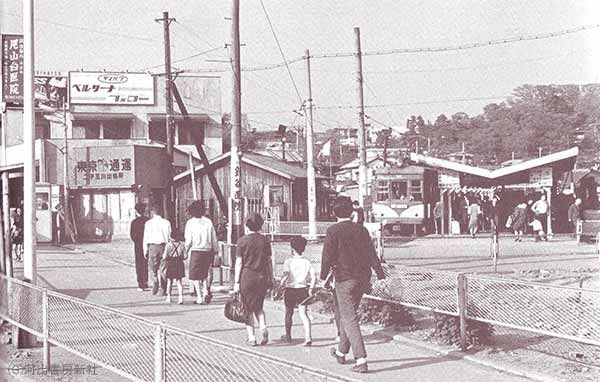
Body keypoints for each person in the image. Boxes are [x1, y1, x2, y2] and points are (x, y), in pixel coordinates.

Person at [321, 196, 385, 374]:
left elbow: (327, 256)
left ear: (334, 212)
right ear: (351, 212)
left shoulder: (333, 231)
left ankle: (361, 359)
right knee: (346, 313)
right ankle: (341, 352)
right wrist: (380, 274)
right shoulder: (361, 230)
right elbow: (372, 254)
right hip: (363, 279)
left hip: (344, 279)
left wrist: (322, 277)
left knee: (348, 317)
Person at [233, 213, 274, 346]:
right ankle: (263, 327)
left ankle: (251, 337)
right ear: (260, 225)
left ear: (246, 225)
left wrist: (236, 282)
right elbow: (269, 261)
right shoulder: (265, 241)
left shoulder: (242, 241)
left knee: (247, 308)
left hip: (247, 277)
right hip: (261, 277)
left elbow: (239, 262)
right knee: (259, 306)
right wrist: (271, 277)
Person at [278, 236, 316, 346]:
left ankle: (288, 335)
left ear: (292, 249)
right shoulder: (306, 262)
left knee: (288, 313)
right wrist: (311, 289)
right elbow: (314, 277)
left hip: (290, 290)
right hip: (302, 290)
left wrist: (280, 286)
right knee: (304, 314)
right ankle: (308, 337)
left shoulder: (288, 262)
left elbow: (286, 276)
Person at [184, 201, 218, 305]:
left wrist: (185, 251)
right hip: (208, 250)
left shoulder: (190, 223)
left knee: (195, 276)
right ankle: (206, 291)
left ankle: (199, 297)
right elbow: (214, 238)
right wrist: (216, 250)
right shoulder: (208, 222)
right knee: (205, 274)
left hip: (196, 251)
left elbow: (188, 240)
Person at [143, 205, 172, 295]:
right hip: (163, 246)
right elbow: (169, 237)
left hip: (152, 246)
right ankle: (163, 289)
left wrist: (145, 250)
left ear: (152, 212)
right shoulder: (166, 223)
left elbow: (146, 238)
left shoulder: (148, 223)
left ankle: (154, 280)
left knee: (152, 268)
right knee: (163, 269)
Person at [162, 231, 187, 304]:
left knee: (170, 281)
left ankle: (169, 297)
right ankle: (181, 297)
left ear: (171, 237)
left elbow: (164, 256)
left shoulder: (168, 245)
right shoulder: (182, 245)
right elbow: (185, 256)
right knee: (179, 282)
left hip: (171, 263)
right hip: (179, 263)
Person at [130, 203, 149, 291]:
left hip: (138, 245)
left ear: (136, 211)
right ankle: (146, 281)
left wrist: (138, 241)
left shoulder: (134, 222)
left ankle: (141, 284)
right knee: (146, 263)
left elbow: (132, 236)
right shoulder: (148, 221)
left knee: (139, 264)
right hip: (148, 244)